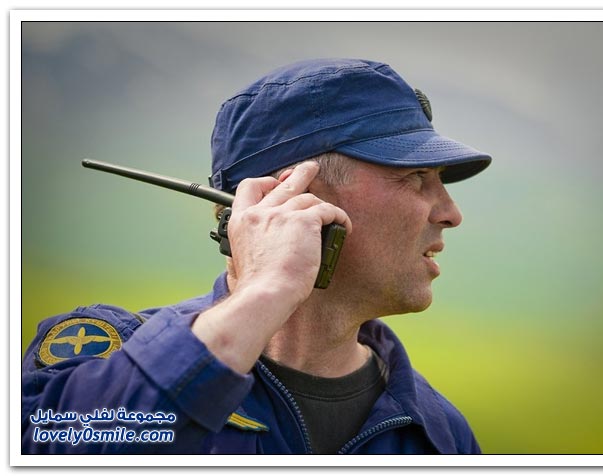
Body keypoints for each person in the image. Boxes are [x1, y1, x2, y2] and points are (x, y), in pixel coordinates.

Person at [21, 58, 491, 455]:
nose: (451, 213)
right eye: (416, 176)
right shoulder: (103, 353)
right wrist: (266, 291)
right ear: (291, 195)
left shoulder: (440, 433)